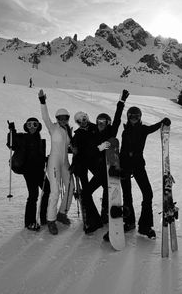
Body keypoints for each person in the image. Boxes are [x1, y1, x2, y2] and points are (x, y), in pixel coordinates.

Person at [72, 89, 129, 230]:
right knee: (89, 193)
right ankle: (98, 219)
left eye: (103, 121)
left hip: (107, 168)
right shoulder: (94, 132)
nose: (101, 123)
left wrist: (121, 102)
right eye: (99, 121)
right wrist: (99, 147)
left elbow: (117, 118)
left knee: (106, 191)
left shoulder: (111, 131)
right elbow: (88, 149)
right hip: (99, 170)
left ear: (108, 123)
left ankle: (106, 214)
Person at [120, 106, 171, 238]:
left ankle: (144, 226)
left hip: (138, 166)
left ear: (140, 117)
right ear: (128, 117)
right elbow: (122, 150)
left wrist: (163, 122)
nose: (134, 119)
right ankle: (129, 222)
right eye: (131, 116)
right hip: (125, 166)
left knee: (147, 194)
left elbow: (154, 127)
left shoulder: (143, 130)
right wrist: (119, 167)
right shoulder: (125, 132)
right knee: (127, 195)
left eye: (136, 116)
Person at [38, 89, 74, 235]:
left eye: (65, 118)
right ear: (57, 118)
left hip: (65, 163)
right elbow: (45, 117)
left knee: (70, 187)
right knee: (55, 191)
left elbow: (68, 147)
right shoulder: (53, 127)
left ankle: (62, 213)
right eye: (61, 118)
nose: (63, 120)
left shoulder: (68, 131)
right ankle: (51, 220)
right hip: (53, 162)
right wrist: (42, 102)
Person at [6, 118, 50, 231]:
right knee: (33, 195)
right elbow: (12, 144)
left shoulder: (39, 139)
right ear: (26, 126)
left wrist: (46, 159)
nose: (32, 127)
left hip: (39, 170)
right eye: (29, 124)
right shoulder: (22, 137)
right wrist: (12, 131)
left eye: (34, 124)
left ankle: (44, 216)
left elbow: (38, 156)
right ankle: (30, 222)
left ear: (38, 126)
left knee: (48, 189)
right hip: (29, 171)